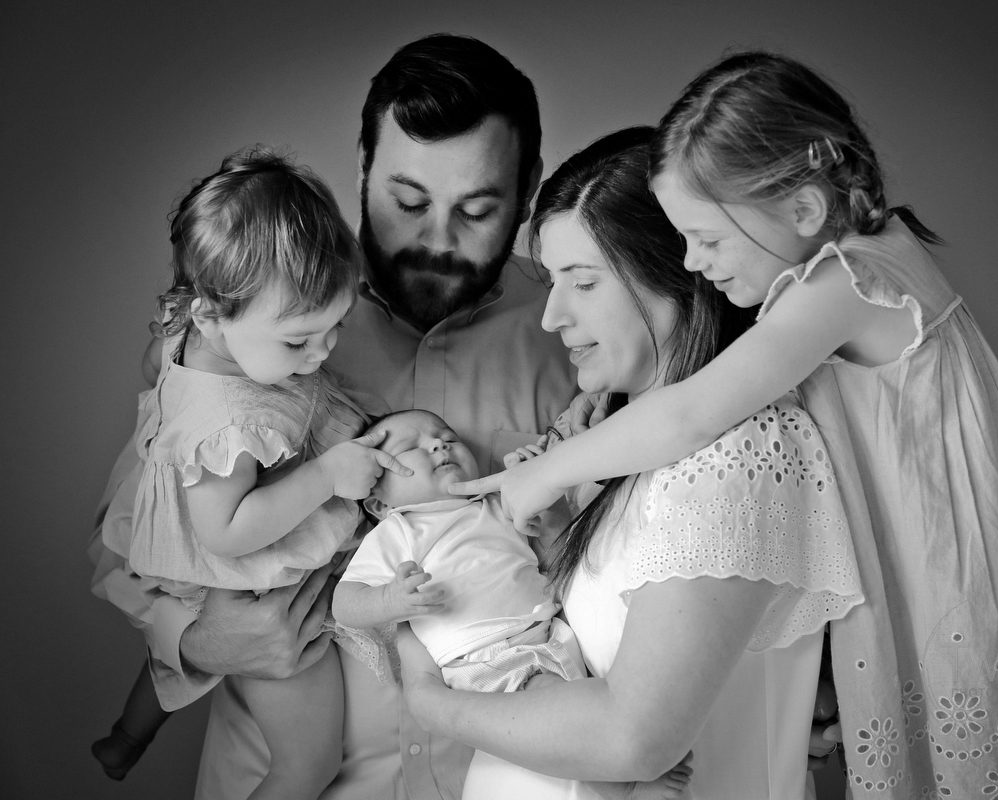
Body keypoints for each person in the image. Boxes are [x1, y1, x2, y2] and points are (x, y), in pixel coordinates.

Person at [461, 53, 998, 798]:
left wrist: (534, 478)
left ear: (800, 211)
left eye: (707, 240)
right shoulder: (854, 272)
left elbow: (695, 415)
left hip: (945, 568)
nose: (696, 264)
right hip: (923, 553)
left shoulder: (848, 281)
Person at [89, 35, 575, 799]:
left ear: (528, 189)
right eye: (407, 201)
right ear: (362, 171)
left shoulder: (576, 335)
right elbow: (140, 536)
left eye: (478, 210)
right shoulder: (257, 332)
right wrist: (200, 641)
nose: (435, 240)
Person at [397, 126, 864, 800]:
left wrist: (429, 700)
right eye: (552, 283)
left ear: (677, 273)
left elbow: (633, 739)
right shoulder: (621, 447)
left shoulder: (738, 452)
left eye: (582, 283)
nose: (552, 317)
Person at [91, 148, 401, 798]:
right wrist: (327, 477)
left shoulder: (195, 334)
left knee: (171, 649)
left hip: (189, 578)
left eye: (336, 326)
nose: (321, 355)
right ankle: (125, 737)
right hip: (249, 588)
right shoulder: (230, 428)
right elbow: (227, 533)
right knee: (306, 765)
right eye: (297, 341)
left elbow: (157, 364)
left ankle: (125, 738)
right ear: (209, 315)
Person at [333, 408, 693, 800]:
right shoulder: (399, 530)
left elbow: (556, 561)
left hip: (550, 634)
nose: (438, 444)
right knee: (551, 702)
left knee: (590, 692)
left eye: (448, 437)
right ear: (379, 504)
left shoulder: (498, 504)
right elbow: (344, 604)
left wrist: (547, 504)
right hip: (483, 658)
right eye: (411, 448)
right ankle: (617, 776)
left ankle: (612, 756)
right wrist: (390, 599)